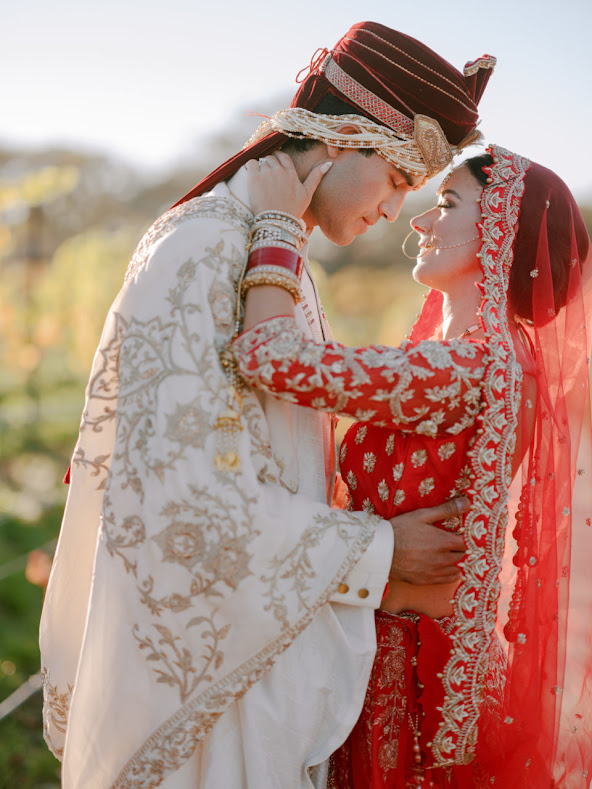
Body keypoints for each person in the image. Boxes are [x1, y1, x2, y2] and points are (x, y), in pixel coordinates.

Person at [39, 22, 497, 789]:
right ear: (343, 138)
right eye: (393, 180)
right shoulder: (205, 245)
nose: (394, 210)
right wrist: (379, 553)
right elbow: (178, 498)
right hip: (201, 690)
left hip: (260, 651)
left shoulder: (269, 247)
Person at [231, 144, 592, 787]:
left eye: (447, 204)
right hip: (388, 644)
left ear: (503, 230)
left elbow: (268, 357)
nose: (419, 221)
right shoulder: (474, 357)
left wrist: (277, 224)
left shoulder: (470, 368)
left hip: (408, 674)